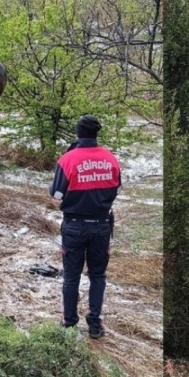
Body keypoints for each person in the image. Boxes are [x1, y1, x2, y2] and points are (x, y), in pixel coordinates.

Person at [50, 115, 122, 339]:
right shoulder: (111, 159)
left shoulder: (68, 159)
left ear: (77, 133)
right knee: (98, 276)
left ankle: (70, 324)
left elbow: (56, 194)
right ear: (96, 133)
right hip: (101, 226)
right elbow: (118, 190)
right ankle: (95, 325)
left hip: (74, 226)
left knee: (71, 276)